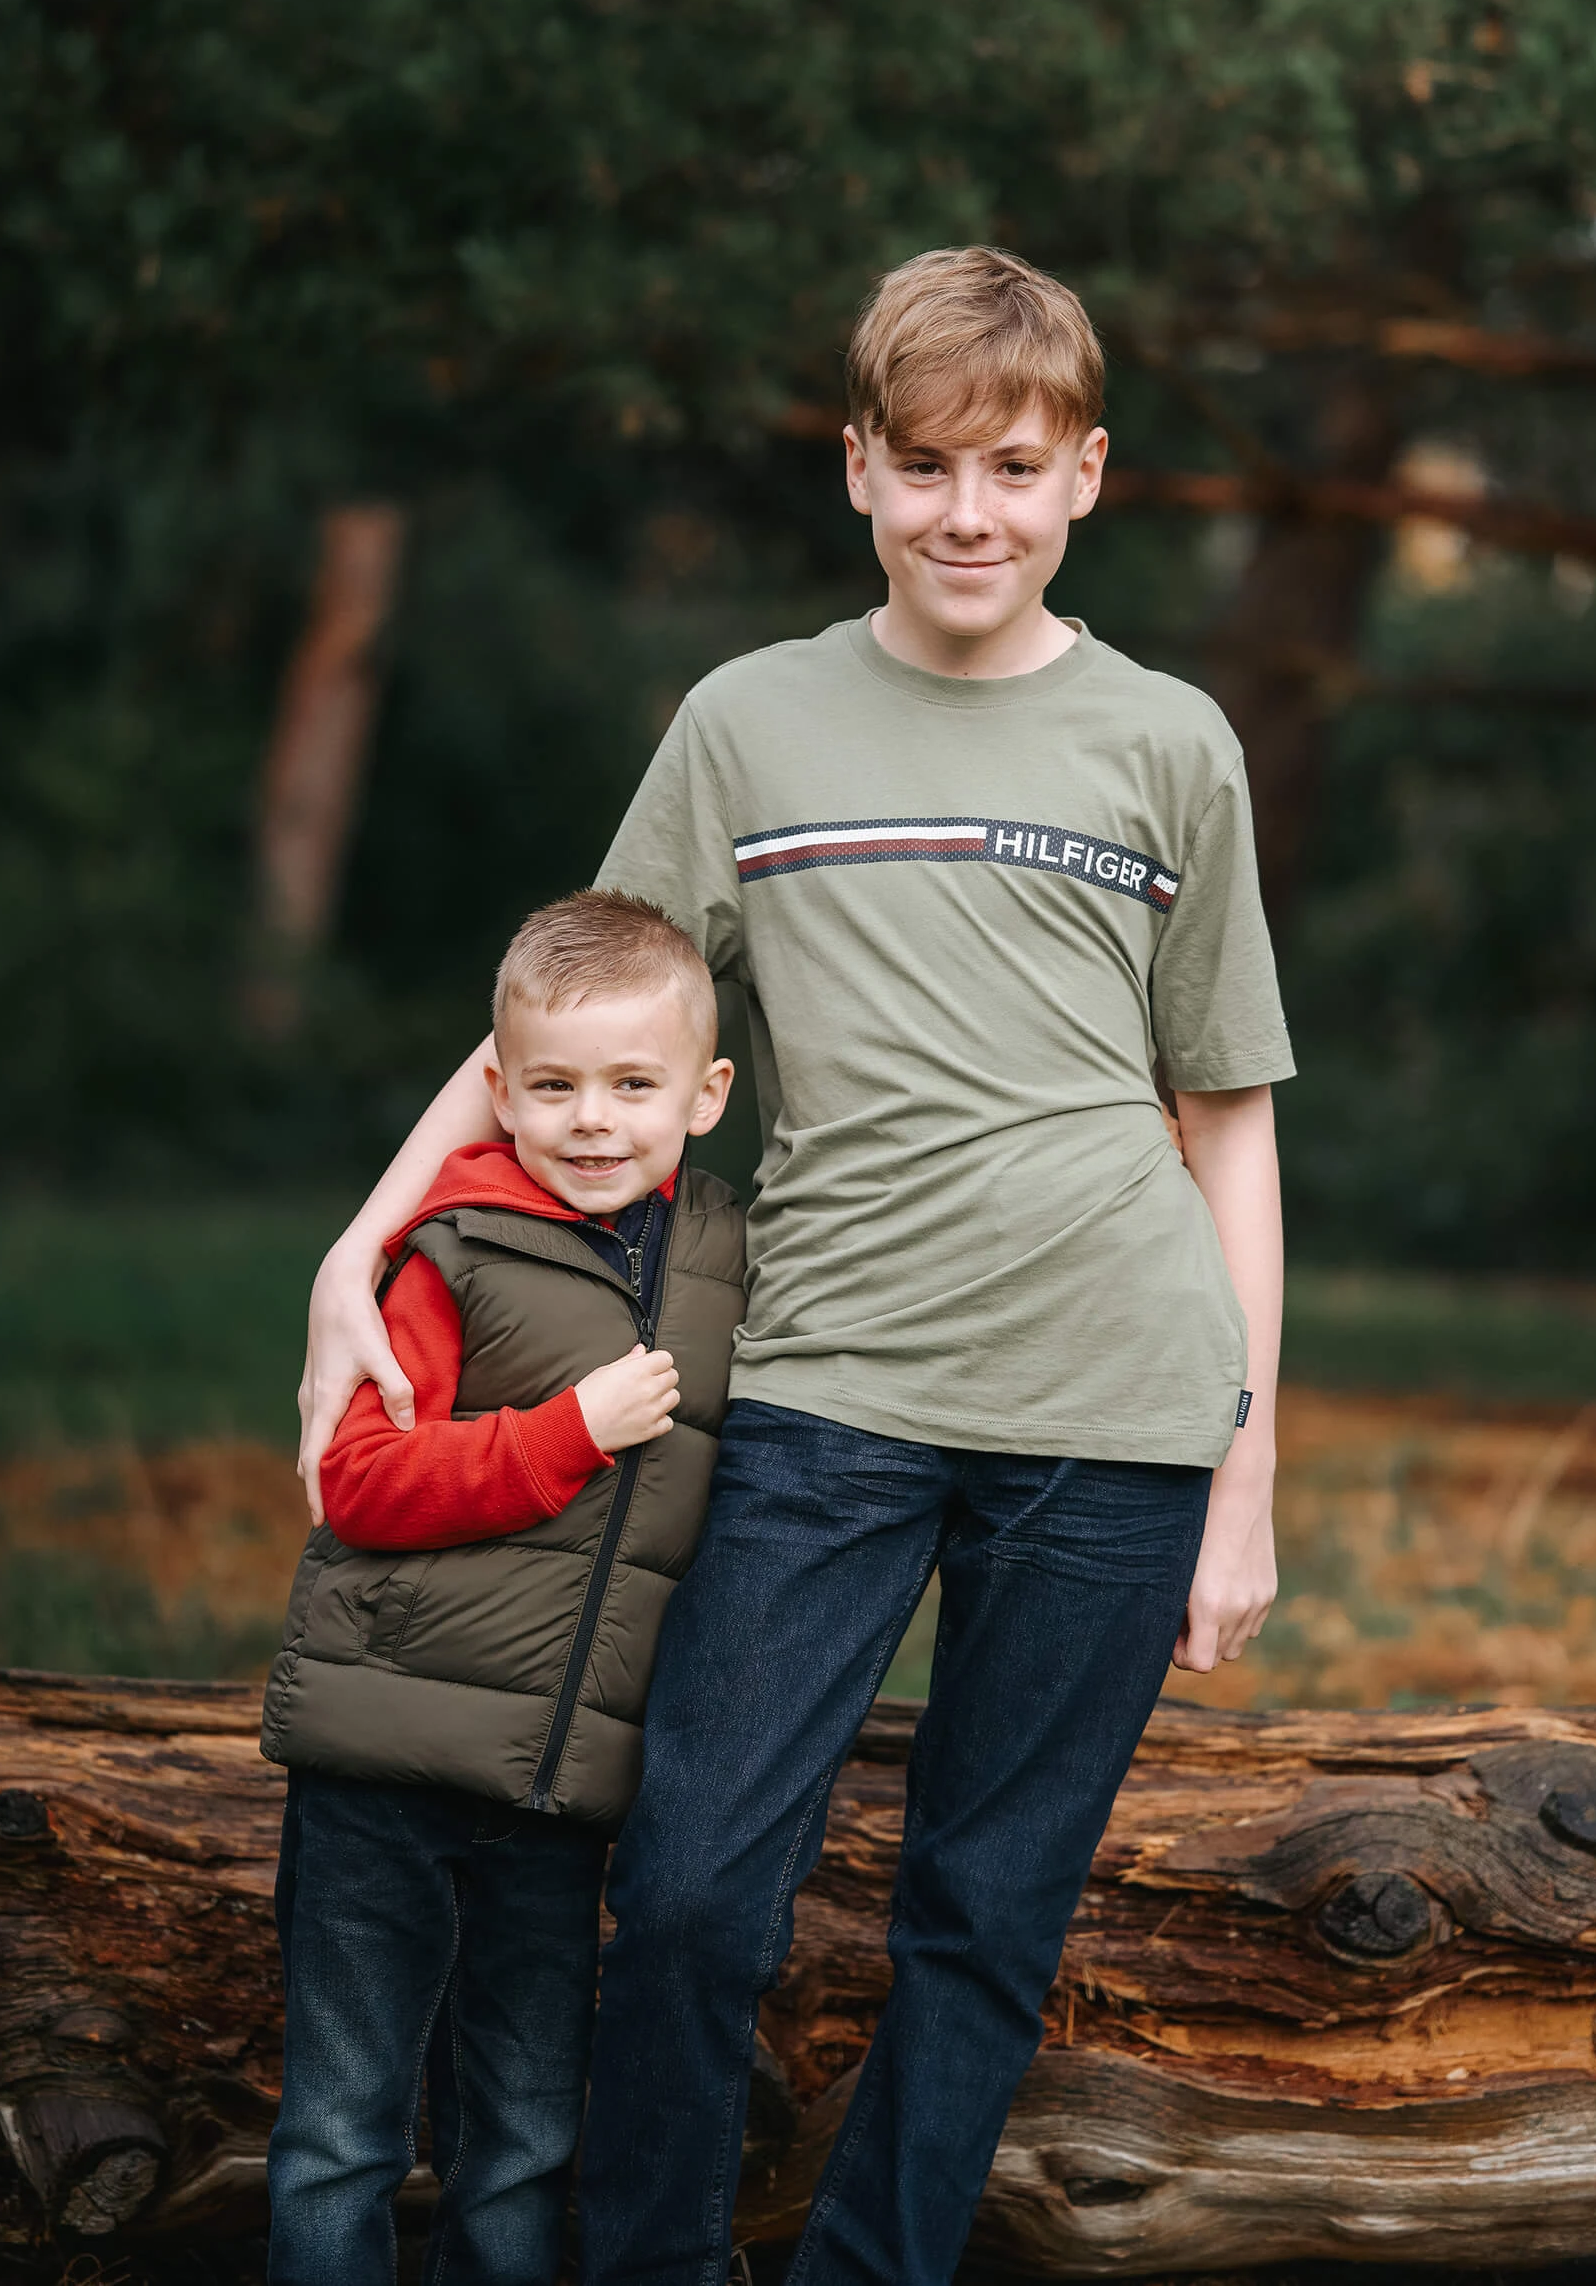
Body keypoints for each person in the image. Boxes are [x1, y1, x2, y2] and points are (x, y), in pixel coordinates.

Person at [295, 245, 1293, 2286]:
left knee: (984, 1917)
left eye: (1011, 467)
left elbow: (1227, 1119)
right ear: (855, 468)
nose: (966, 511)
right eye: (923, 463)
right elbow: (560, 1018)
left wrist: (1245, 1475)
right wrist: (361, 1245)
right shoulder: (748, 723)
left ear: (1085, 474)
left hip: (1113, 1405)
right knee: (682, 1892)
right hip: (828, 1389)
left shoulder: (1171, 744)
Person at [262, 890, 743, 2286]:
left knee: (526, 2134)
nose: (594, 1120)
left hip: (557, 1789)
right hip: (385, 1775)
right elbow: (357, 1482)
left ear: (705, 1096)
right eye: (554, 1086)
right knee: (343, 2130)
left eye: (632, 1085)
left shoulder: (726, 1256)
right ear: (496, 1091)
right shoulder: (449, 1254)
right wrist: (564, 1435)